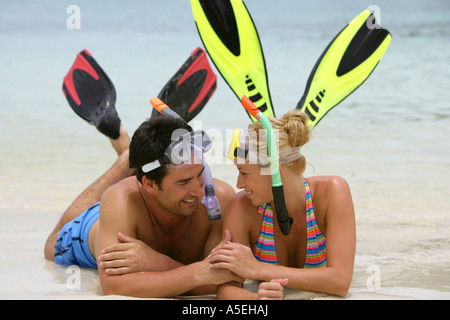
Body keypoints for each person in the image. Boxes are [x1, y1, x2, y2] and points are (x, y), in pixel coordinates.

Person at [44, 118, 243, 298]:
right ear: (148, 184)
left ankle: (135, 157)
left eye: (199, 174)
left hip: (145, 200)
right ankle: (126, 158)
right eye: (183, 182)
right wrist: (200, 273)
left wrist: (158, 263)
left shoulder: (220, 199)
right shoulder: (121, 201)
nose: (199, 192)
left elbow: (226, 283)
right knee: (52, 246)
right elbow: (114, 287)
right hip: (97, 225)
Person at [208, 109, 356, 299]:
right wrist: (256, 299)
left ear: (274, 171)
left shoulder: (332, 192)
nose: (239, 184)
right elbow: (226, 288)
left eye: (244, 173)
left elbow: (340, 282)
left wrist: (257, 269)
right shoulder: (242, 207)